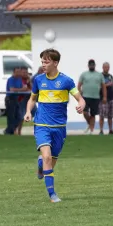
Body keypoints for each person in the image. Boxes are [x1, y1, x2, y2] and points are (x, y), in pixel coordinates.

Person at [24, 48, 86, 203]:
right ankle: (52, 195)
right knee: (46, 157)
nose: (43, 64)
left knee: (51, 161)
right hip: (41, 125)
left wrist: (82, 105)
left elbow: (80, 98)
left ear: (56, 63)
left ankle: (41, 164)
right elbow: (32, 99)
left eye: (47, 61)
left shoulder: (66, 81)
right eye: (42, 61)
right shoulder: (38, 80)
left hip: (59, 128)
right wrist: (28, 112)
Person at [78, 59, 106, 135]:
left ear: (94, 65)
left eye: (93, 65)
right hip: (85, 97)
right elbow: (79, 85)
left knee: (93, 114)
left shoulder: (99, 75)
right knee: (85, 112)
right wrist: (79, 95)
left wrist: (104, 97)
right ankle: (90, 124)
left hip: (96, 97)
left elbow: (103, 87)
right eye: (90, 65)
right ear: (88, 65)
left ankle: (91, 129)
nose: (91, 66)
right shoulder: (84, 74)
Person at [98, 62, 113, 135]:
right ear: (103, 67)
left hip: (112, 97)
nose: (106, 68)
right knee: (102, 115)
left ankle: (110, 130)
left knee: (110, 116)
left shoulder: (110, 76)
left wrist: (106, 85)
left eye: (107, 67)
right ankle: (101, 130)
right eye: (105, 67)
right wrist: (106, 85)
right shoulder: (100, 76)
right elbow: (100, 85)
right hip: (103, 98)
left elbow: (112, 83)